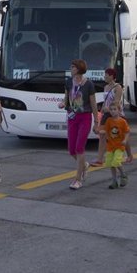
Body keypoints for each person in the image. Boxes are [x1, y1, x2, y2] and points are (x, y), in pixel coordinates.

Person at [57, 58, 95, 189]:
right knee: (72, 150)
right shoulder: (68, 82)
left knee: (79, 148)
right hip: (72, 117)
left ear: (79, 69)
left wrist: (97, 122)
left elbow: (93, 104)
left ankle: (78, 179)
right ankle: (84, 165)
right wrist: (63, 103)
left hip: (85, 117)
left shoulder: (88, 84)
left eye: (73, 67)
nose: (70, 69)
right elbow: (66, 98)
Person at [90, 68, 132, 167]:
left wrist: (108, 109)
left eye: (106, 75)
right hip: (106, 115)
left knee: (121, 135)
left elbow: (116, 103)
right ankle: (100, 159)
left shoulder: (118, 87)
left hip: (116, 115)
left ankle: (129, 155)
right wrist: (102, 111)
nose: (104, 77)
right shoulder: (106, 87)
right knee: (102, 135)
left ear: (112, 76)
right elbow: (105, 101)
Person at [101, 101, 130, 189]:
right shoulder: (109, 120)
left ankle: (123, 174)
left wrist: (125, 140)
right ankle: (114, 181)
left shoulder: (123, 121)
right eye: (111, 109)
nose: (113, 111)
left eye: (115, 109)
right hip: (110, 146)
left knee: (116, 162)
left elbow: (127, 132)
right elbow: (106, 130)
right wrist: (102, 133)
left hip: (119, 146)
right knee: (111, 164)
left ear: (119, 110)